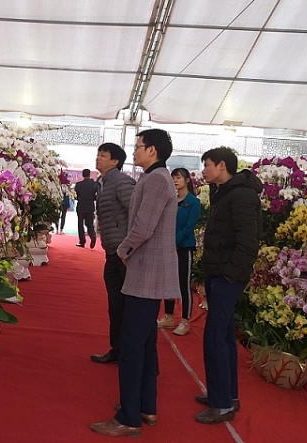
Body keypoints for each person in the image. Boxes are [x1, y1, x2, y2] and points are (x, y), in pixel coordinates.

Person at [90, 129, 180, 437]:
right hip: (147, 272)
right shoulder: (156, 178)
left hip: (146, 274)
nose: (136, 151)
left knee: (131, 345)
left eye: (139, 146)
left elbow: (142, 225)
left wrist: (122, 249)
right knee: (144, 344)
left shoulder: (155, 180)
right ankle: (145, 407)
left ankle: (129, 417)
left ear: (152, 150)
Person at [194, 147, 262, 425]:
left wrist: (231, 275)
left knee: (214, 337)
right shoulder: (222, 192)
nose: (204, 170)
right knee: (222, 336)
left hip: (227, 275)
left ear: (222, 166)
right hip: (218, 271)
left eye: (207, 165)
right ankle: (227, 395)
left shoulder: (242, 195)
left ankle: (221, 404)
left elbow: (248, 241)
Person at [90, 143, 136, 364]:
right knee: (115, 303)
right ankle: (117, 350)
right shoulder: (104, 183)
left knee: (128, 306)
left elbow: (135, 213)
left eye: (103, 155)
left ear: (116, 161)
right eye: (98, 154)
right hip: (112, 251)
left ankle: (131, 354)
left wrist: (127, 246)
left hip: (124, 252)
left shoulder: (122, 182)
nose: (98, 158)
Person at [157, 168, 201, 336]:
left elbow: (189, 227)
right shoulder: (172, 200)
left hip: (184, 247)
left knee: (183, 283)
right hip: (168, 247)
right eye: (173, 178)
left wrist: (174, 241)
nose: (175, 180)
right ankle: (168, 316)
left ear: (187, 180)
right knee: (168, 282)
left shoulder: (193, 202)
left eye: (178, 177)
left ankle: (185, 320)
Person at [74, 169, 98, 248]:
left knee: (80, 224)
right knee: (90, 223)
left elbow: (76, 196)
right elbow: (96, 196)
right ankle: (92, 235)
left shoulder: (78, 185)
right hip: (90, 206)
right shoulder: (94, 184)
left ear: (83, 175)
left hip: (81, 206)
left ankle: (82, 241)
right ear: (89, 174)